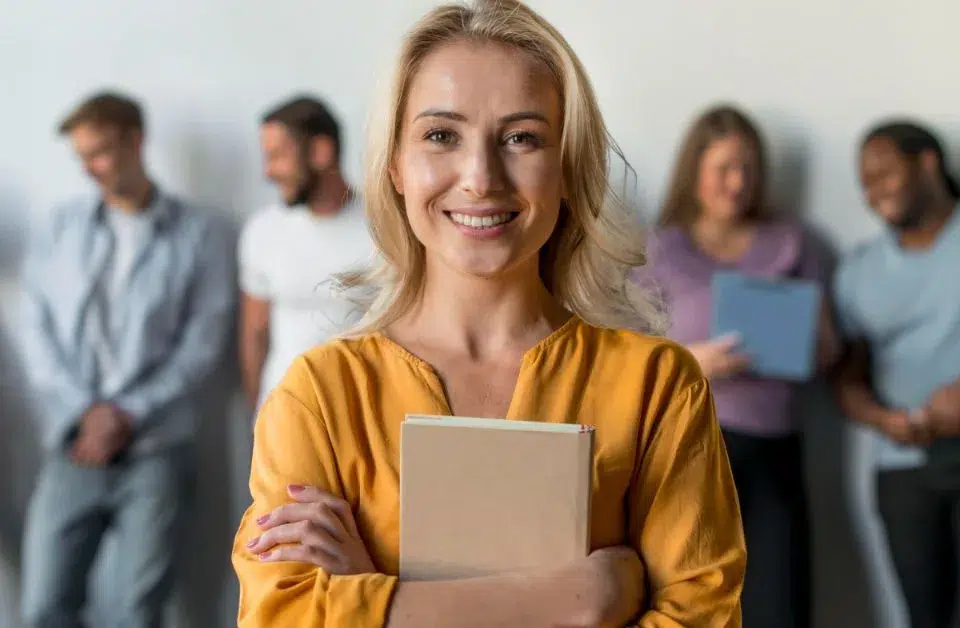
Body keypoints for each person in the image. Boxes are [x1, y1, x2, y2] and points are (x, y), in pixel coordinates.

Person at [231, 1, 746, 626]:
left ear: (568, 168)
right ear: (394, 164)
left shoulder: (657, 385)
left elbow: (702, 616)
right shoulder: (319, 395)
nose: (480, 177)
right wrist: (581, 599)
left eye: (521, 137)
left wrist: (369, 596)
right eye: (441, 135)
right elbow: (281, 615)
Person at [19, 91, 235, 627]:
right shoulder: (60, 227)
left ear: (135, 141)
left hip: (156, 448)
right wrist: (84, 414)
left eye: (100, 153)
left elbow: (201, 345)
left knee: (138, 612)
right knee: (45, 605)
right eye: (82, 157)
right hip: (73, 445)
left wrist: (125, 414)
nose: (90, 168)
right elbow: (35, 327)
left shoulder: (200, 233)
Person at [640, 104, 840, 628]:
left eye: (748, 168)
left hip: (775, 448)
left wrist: (811, 346)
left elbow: (830, 350)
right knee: (691, 601)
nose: (738, 183)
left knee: (780, 601)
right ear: (695, 172)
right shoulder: (659, 249)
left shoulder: (797, 243)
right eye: (724, 168)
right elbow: (628, 361)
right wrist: (691, 362)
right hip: (690, 447)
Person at [832, 120, 960, 628]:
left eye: (884, 174)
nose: (872, 191)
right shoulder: (859, 270)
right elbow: (847, 377)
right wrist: (884, 420)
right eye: (864, 182)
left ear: (928, 162)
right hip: (903, 466)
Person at [238, 96, 374, 410]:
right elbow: (254, 333)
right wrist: (257, 413)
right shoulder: (262, 230)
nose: (268, 172)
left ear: (320, 151)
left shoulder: (386, 228)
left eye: (277, 156)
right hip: (283, 412)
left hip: (362, 416)